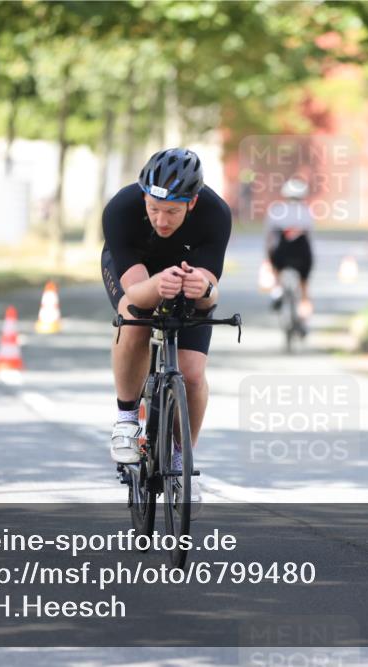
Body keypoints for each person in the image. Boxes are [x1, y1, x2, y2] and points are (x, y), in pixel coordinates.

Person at [101, 148, 232, 505]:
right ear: (144, 196)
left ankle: (180, 457)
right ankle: (126, 419)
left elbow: (209, 295)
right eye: (154, 208)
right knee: (136, 316)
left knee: (191, 372)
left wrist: (203, 288)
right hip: (138, 274)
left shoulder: (215, 214)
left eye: (172, 211)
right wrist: (158, 285)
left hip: (186, 275)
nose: (161, 220)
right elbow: (135, 291)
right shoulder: (121, 210)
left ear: (191, 203)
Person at [263, 178, 314, 320]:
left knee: (275, 266)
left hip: (282, 254)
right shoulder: (307, 213)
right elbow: (310, 238)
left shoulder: (276, 210)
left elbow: (269, 238)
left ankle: (277, 290)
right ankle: (304, 319)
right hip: (302, 255)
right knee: (304, 288)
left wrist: (267, 258)